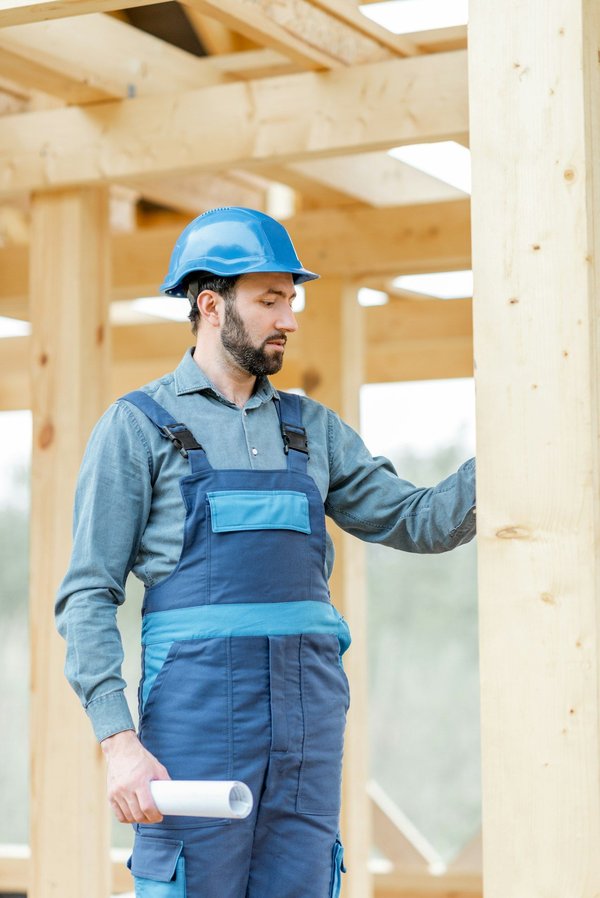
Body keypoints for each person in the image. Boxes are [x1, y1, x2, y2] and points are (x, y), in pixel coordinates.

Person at [55, 206, 476, 898]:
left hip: (307, 724)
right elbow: (87, 595)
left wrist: (512, 451)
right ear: (212, 305)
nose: (289, 319)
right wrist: (118, 741)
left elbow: (418, 520)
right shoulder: (138, 428)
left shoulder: (313, 429)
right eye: (271, 300)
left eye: (292, 300)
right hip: (193, 726)